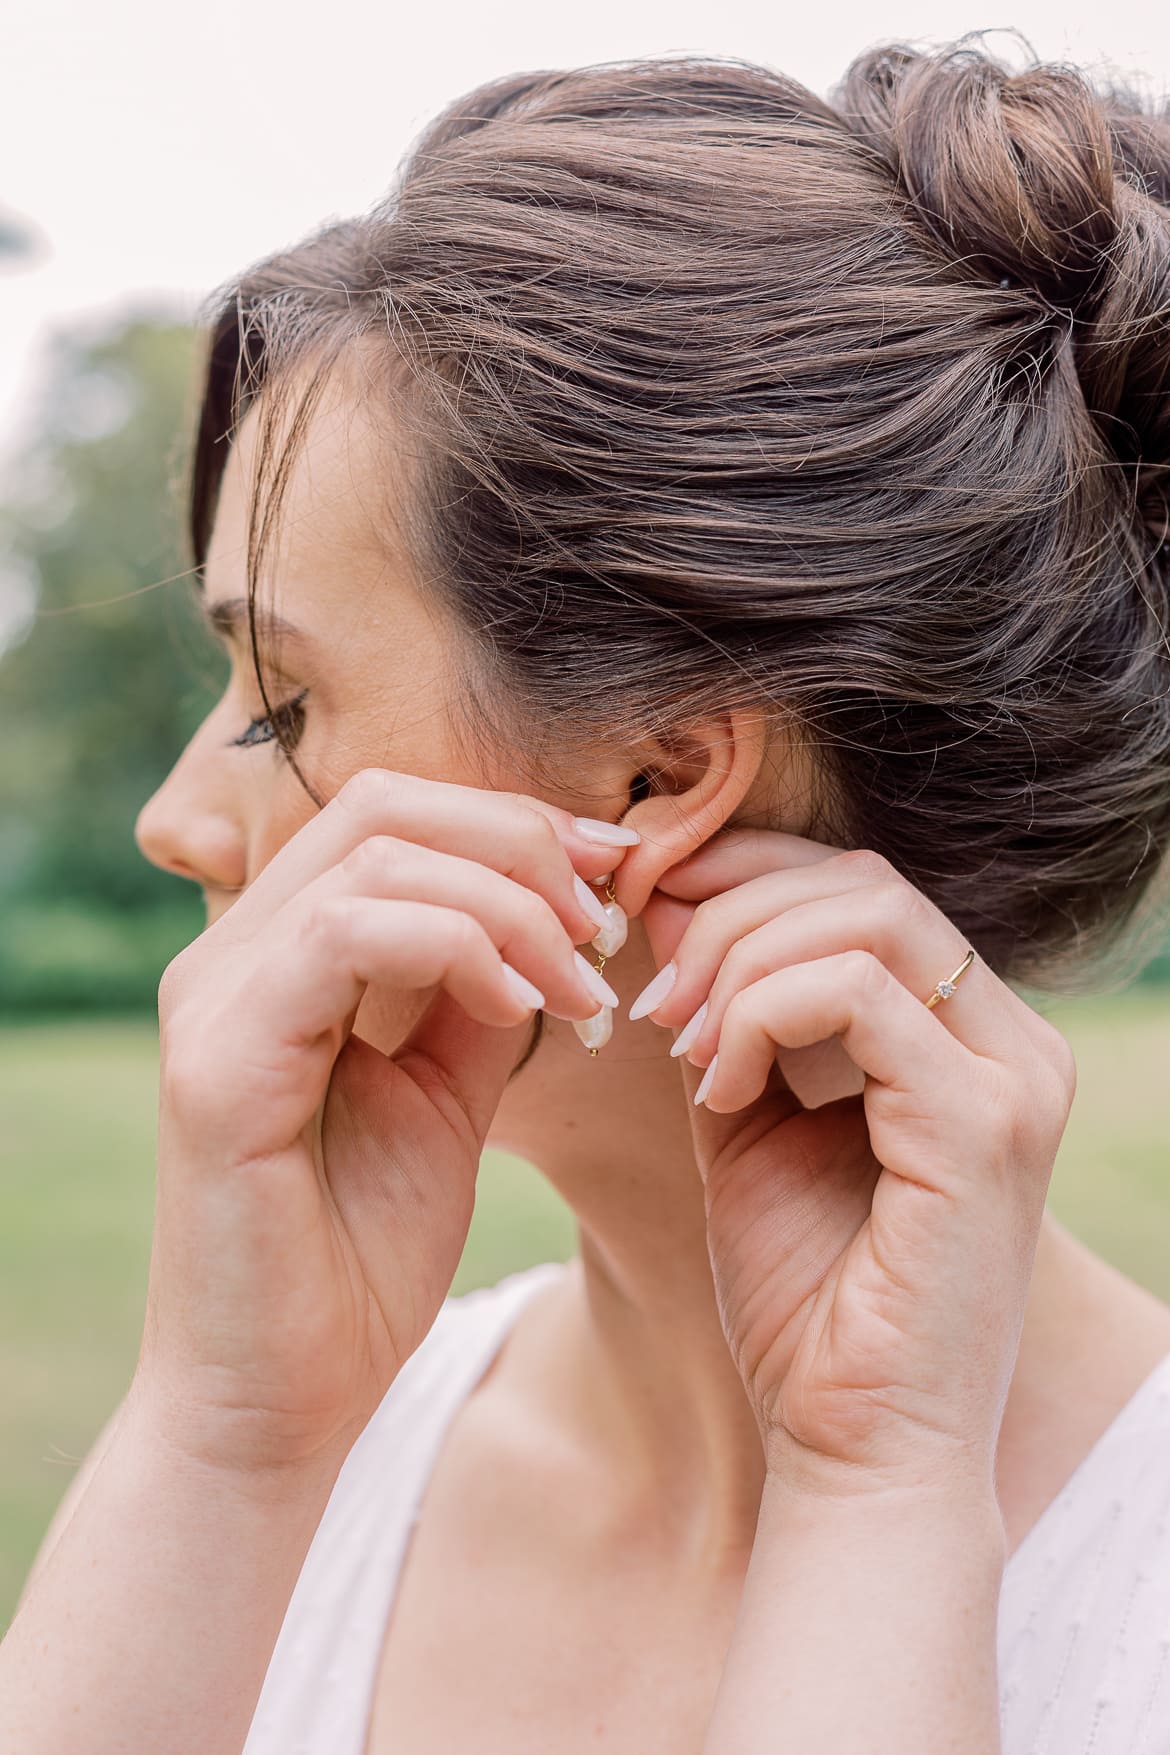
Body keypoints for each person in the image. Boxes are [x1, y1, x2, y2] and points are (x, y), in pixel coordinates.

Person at [5, 35, 1170, 1755]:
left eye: (280, 705)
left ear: (652, 780)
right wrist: (229, 1434)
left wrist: (878, 1494)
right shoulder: (304, 1464)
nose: (180, 816)